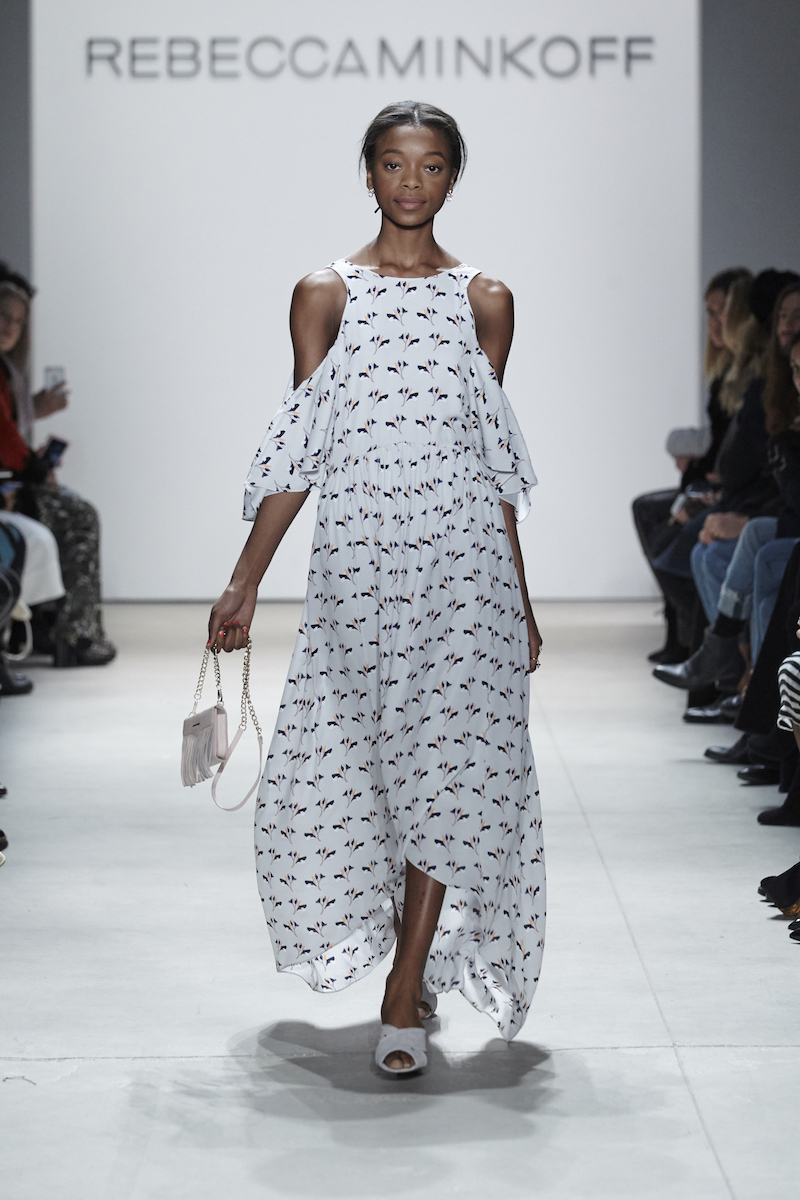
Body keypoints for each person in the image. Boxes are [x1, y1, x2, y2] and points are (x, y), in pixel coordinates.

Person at [208, 101, 545, 1076]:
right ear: (367, 173)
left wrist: (520, 596)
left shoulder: (485, 299)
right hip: (357, 563)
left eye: (431, 165)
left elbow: (489, 456)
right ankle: (410, 951)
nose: (411, 182)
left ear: (452, 178)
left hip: (463, 566)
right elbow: (302, 443)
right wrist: (245, 580)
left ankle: (403, 991)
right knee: (367, 766)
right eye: (394, 163)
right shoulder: (325, 293)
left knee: (447, 762)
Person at [655, 305, 800, 693]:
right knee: (701, 548)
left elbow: (755, 474)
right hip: (751, 504)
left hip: (759, 509)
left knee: (735, 551)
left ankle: (737, 675)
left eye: (724, 311)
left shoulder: (763, 391)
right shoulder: (756, 388)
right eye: (783, 316)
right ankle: (734, 674)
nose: (787, 325)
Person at [632, 268, 750, 664]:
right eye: (710, 313)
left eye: (722, 312)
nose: (714, 323)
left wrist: (705, 478)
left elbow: (733, 456)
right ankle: (683, 636)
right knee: (652, 514)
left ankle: (699, 645)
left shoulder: (750, 379)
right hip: (715, 485)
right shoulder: (726, 377)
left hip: (731, 494)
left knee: (669, 531)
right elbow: (720, 447)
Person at [0, 272, 116, 666]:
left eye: (18, 321)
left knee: (72, 511)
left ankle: (57, 630)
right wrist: (33, 468)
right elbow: (5, 437)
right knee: (80, 517)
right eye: (4, 316)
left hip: (11, 483)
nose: (10, 327)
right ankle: (74, 636)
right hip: (9, 488)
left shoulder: (6, 374)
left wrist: (31, 464)